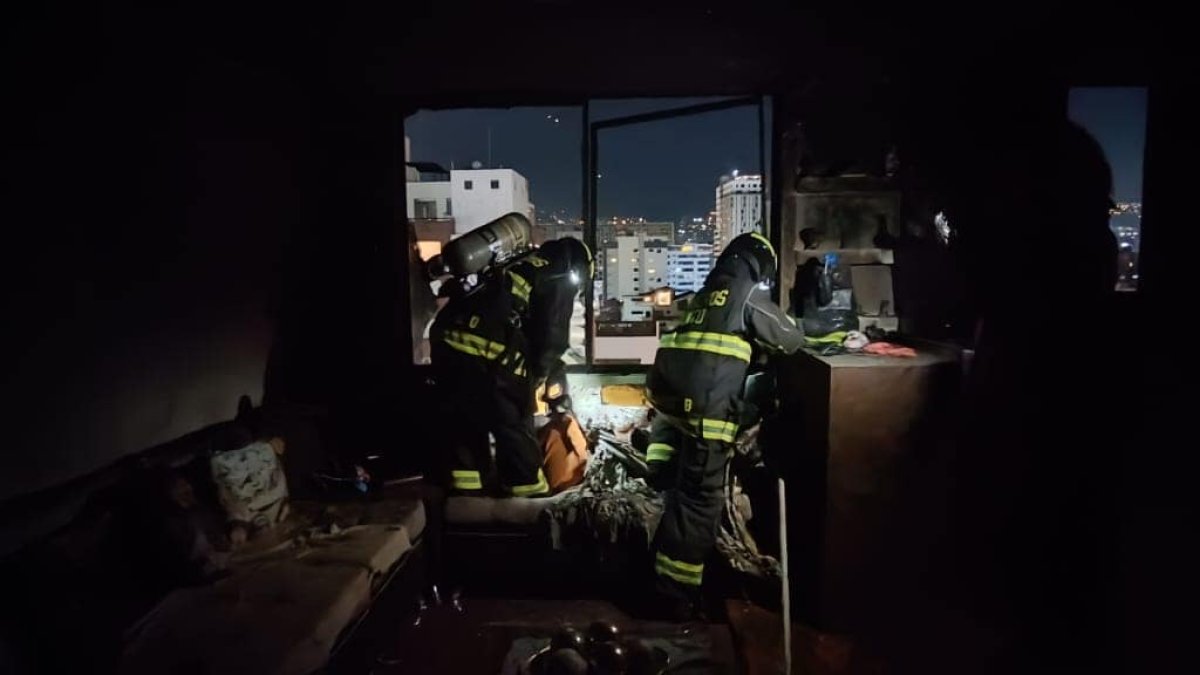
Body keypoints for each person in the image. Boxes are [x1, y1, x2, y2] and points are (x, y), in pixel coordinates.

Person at [644, 231, 804, 617]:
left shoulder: (703, 295)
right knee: (701, 501)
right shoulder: (746, 294)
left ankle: (667, 574)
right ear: (758, 265)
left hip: (674, 407)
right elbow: (790, 339)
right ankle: (675, 594)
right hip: (708, 413)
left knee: (683, 493)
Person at [431, 237, 592, 497]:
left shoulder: (518, 262)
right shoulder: (559, 274)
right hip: (488, 346)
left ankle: (467, 492)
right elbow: (552, 337)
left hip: (447, 338)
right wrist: (538, 375)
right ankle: (528, 492)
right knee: (512, 420)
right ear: (579, 267)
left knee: (464, 418)